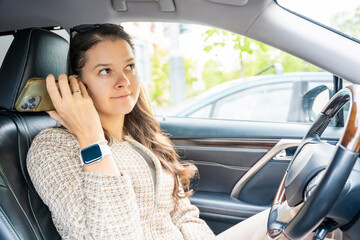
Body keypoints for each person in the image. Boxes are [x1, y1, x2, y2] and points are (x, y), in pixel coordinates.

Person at [25, 23, 279, 240]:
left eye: (129, 67)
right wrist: (91, 137)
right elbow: (110, 235)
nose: (124, 81)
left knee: (284, 218)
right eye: (105, 71)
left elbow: (183, 213)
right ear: (76, 84)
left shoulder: (139, 135)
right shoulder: (52, 147)